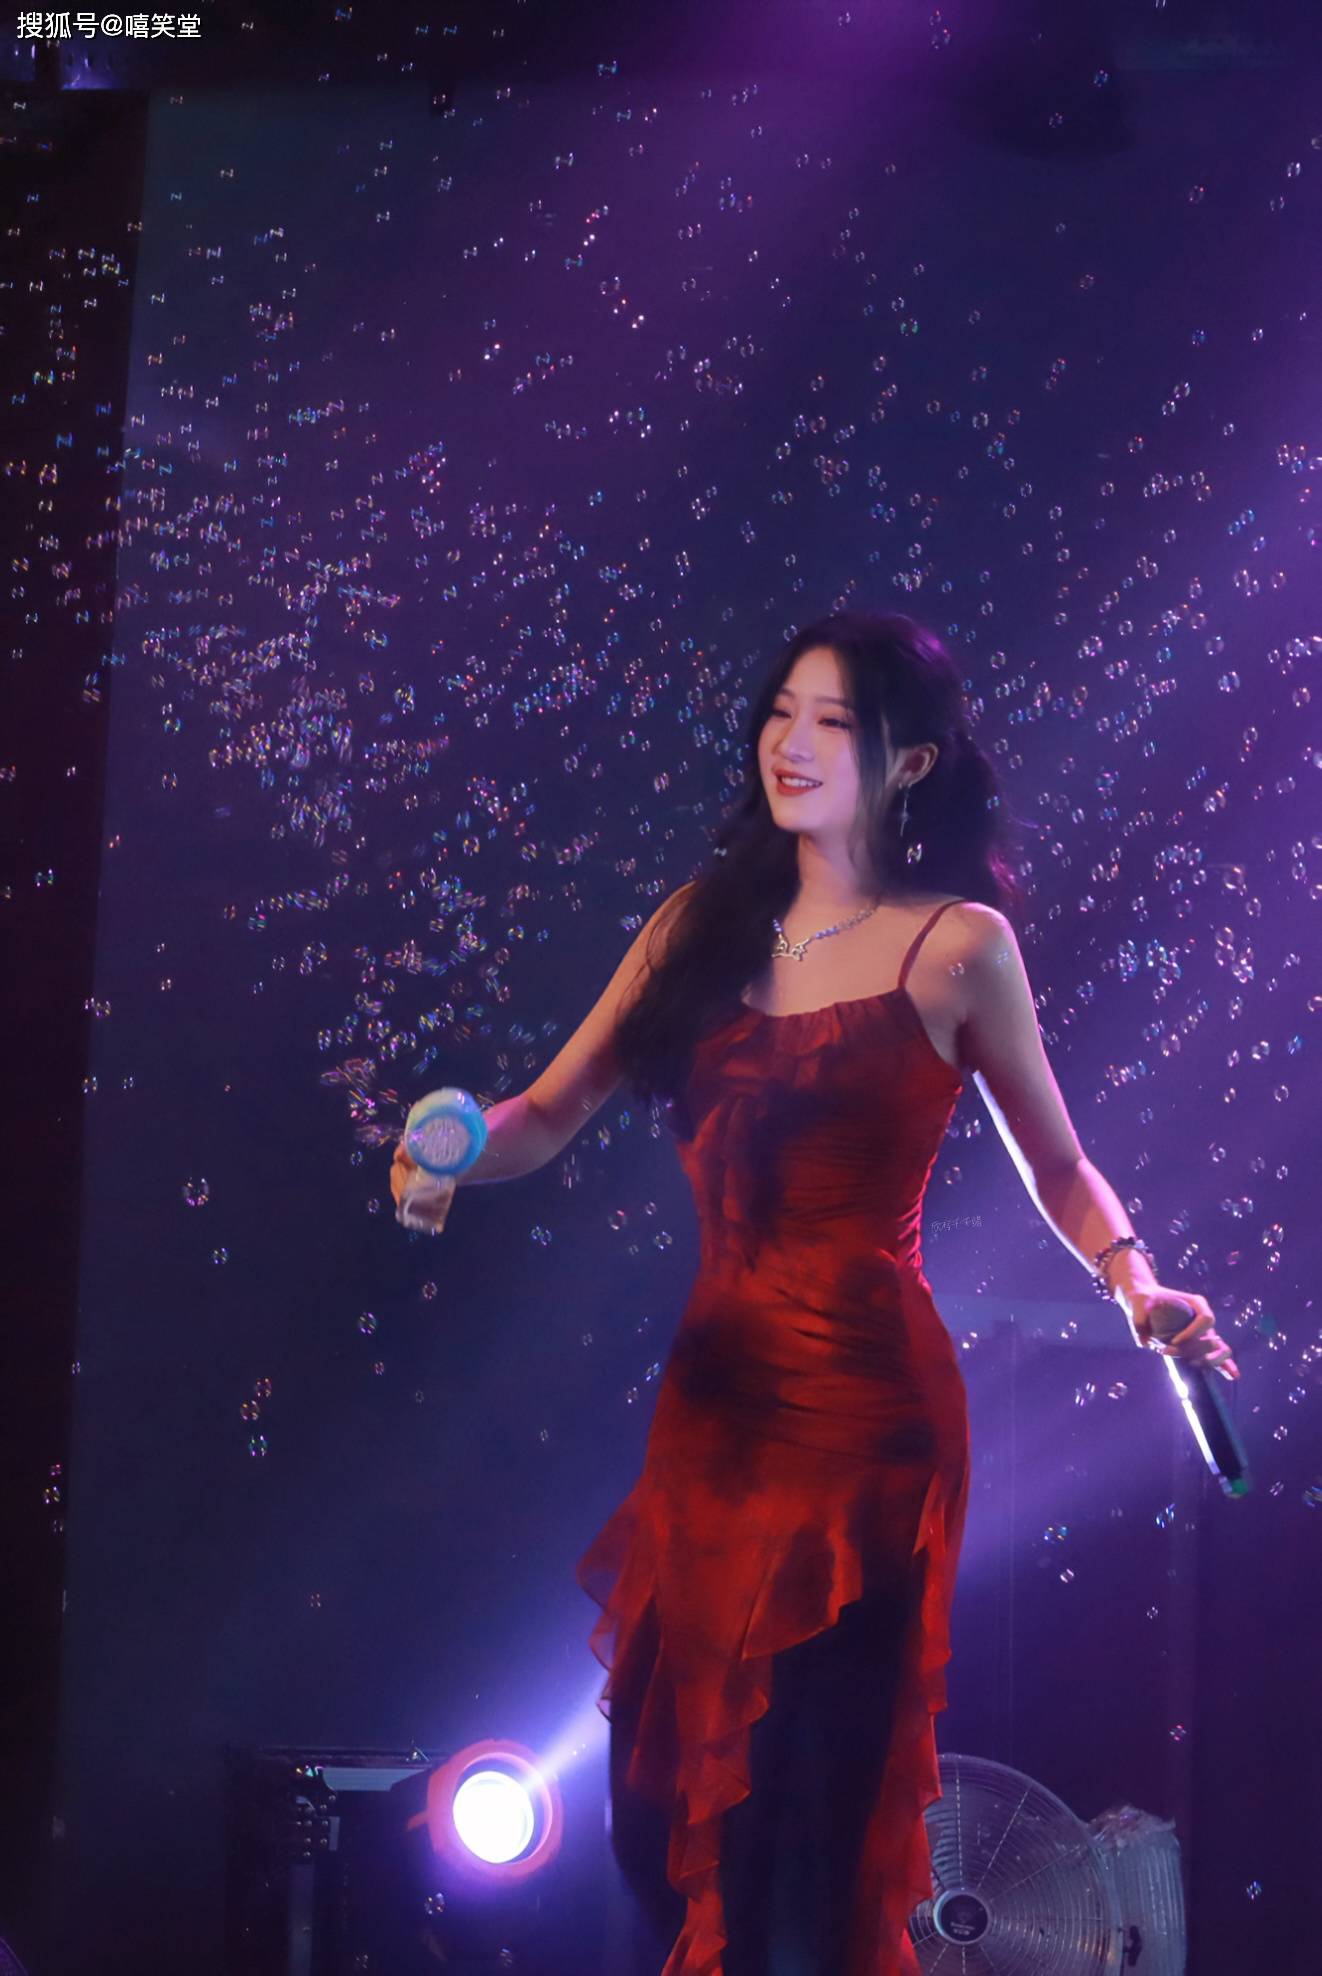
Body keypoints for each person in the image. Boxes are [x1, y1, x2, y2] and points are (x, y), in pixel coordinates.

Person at [391, 612, 1238, 1976]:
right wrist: (450, 1152)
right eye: (780, 711)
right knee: (654, 1810)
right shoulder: (696, 928)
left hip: (866, 1427)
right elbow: (542, 1114)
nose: (788, 743)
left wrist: (1136, 1285)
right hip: (713, 1419)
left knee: (800, 1831)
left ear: (911, 760)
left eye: (832, 721)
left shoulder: (957, 946)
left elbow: (1059, 1164)